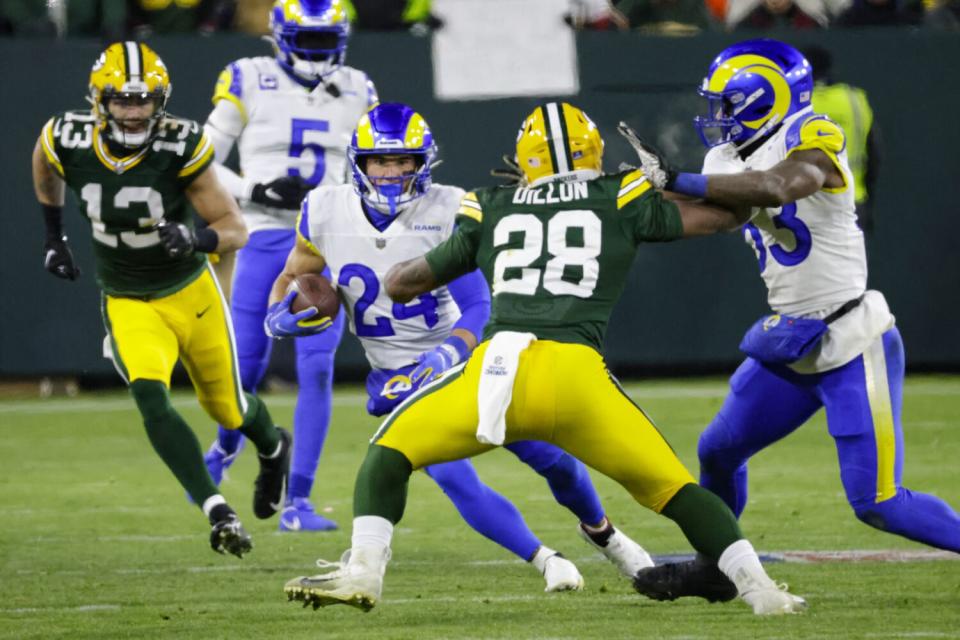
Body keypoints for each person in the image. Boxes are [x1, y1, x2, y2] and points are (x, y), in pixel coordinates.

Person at [281, 101, 807, 615]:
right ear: (594, 151)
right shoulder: (619, 194)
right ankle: (761, 589)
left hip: (494, 374)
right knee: (675, 490)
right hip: (576, 376)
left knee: (386, 457)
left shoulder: (489, 203)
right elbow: (723, 218)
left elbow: (400, 283)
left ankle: (365, 570)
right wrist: (670, 181)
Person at [265, 102, 657, 592]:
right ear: (359, 163)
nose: (392, 173)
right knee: (452, 477)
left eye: (404, 162)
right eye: (381, 162)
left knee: (550, 458)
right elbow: (291, 277)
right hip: (395, 374)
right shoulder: (325, 210)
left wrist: (443, 357)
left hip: (471, 356)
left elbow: (477, 305)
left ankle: (608, 537)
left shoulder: (449, 207)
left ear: (423, 163)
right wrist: (279, 314)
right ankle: (545, 560)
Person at [622, 38, 960, 602]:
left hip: (853, 336)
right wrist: (617, 204)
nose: (718, 117)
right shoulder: (724, 161)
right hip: (794, 338)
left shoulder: (814, 129)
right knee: (718, 451)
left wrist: (674, 180)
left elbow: (781, 185)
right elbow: (708, 217)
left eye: (728, 103)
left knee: (878, 503)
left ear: (766, 97)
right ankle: (716, 567)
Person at [31, 41, 291, 558]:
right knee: (150, 395)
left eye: (144, 100)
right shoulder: (66, 136)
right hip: (127, 298)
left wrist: (195, 239)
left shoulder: (179, 144)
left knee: (229, 408)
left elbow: (234, 228)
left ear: (161, 100)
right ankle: (216, 509)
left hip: (189, 292)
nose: (134, 111)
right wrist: (54, 235)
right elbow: (43, 162)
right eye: (123, 101)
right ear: (97, 100)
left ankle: (274, 445)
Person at [201, 0, 377, 532]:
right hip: (263, 232)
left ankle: (298, 501)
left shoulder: (359, 87)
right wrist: (254, 187)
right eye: (311, 41)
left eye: (328, 42)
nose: (321, 53)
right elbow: (200, 159)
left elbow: (371, 162)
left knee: (318, 367)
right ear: (281, 36)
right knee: (245, 367)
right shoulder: (248, 76)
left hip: (326, 240)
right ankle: (226, 449)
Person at [803, 45, 880, 231]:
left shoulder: (790, 103)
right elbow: (875, 154)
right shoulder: (854, 100)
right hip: (851, 203)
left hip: (802, 208)